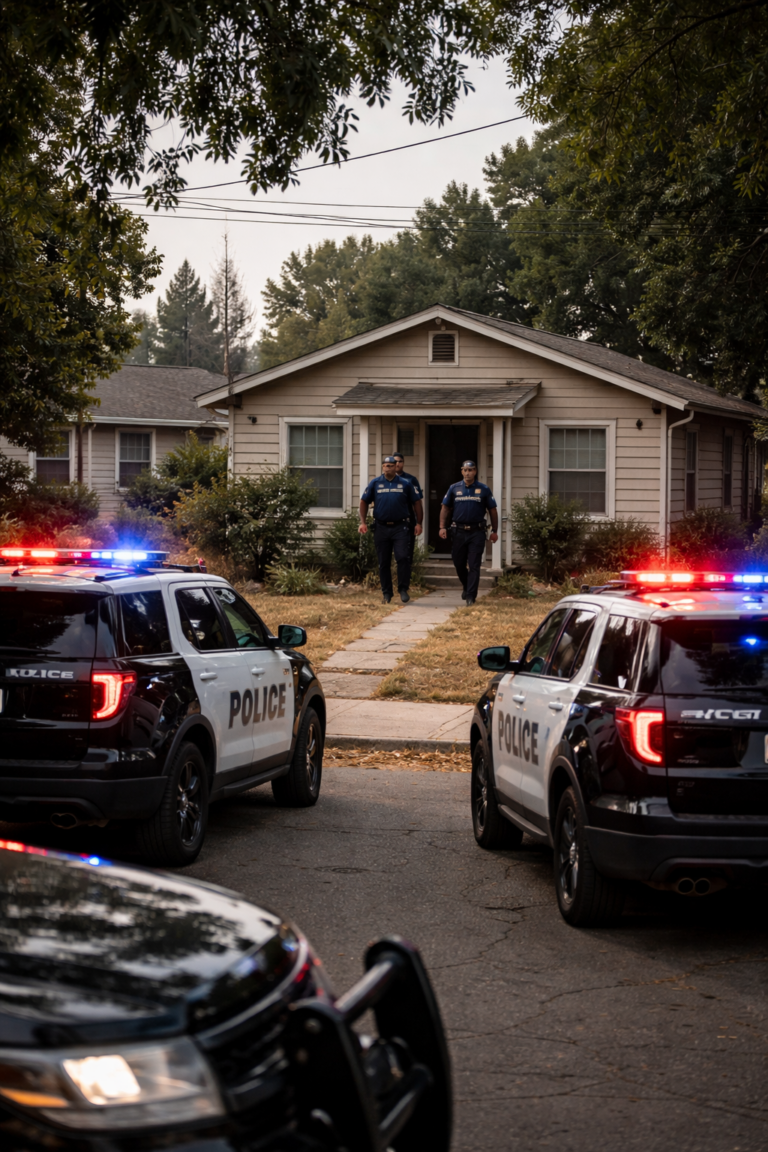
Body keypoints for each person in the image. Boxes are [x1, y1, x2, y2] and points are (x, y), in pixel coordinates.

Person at [359, 456, 423, 603]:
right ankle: (387, 593)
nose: (388, 468)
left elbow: (417, 503)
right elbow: (364, 501)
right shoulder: (375, 483)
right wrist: (363, 522)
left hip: (401, 527)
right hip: (381, 527)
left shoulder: (406, 484)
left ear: (396, 467)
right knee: (384, 562)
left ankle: (403, 589)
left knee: (402, 557)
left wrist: (418, 523)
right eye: (386, 466)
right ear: (382, 467)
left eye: (391, 465)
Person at [439, 459, 498, 606]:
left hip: (476, 532)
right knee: (458, 563)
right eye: (465, 470)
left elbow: (493, 510)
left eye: (470, 470)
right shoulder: (454, 488)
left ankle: (471, 596)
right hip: (458, 531)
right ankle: (466, 585)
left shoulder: (484, 489)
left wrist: (494, 531)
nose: (468, 473)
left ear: (475, 471)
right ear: (461, 471)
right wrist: (442, 527)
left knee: (474, 565)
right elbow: (445, 508)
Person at [393, 452, 423, 566]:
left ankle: (406, 579)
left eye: (400, 461)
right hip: (389, 522)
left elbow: (418, 502)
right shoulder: (383, 480)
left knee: (407, 553)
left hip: (408, 521)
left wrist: (418, 523)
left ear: (403, 463)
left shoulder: (411, 480)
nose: (397, 464)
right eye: (395, 461)